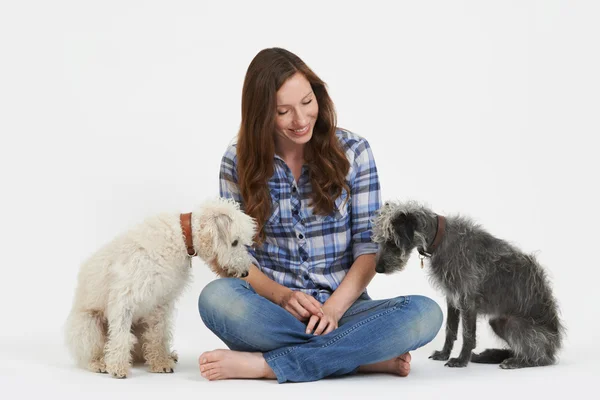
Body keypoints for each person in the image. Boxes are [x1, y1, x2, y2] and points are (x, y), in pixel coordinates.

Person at [197, 47, 442, 383]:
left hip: (346, 309)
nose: (300, 120)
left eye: (307, 102)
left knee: (424, 314)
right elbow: (236, 260)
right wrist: (282, 296)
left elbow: (368, 249)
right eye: (283, 111)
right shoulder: (236, 161)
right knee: (215, 299)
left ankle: (268, 366)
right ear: (261, 115)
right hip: (272, 311)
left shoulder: (355, 152)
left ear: (318, 96)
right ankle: (359, 357)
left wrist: (333, 309)